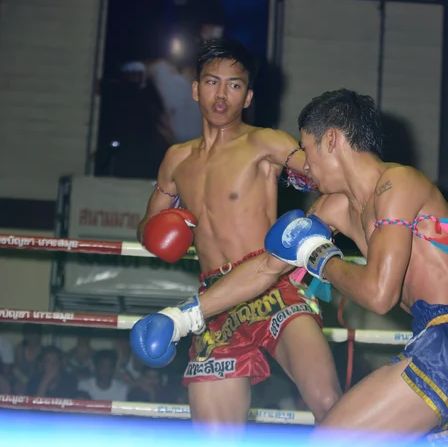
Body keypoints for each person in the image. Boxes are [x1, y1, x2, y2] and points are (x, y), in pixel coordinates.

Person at [139, 88, 448, 444]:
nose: (306, 165)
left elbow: (378, 294)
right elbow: (266, 268)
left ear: (332, 140)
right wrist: (183, 317)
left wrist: (320, 257)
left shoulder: (398, 184)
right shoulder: (335, 208)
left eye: (307, 148)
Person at [130, 37, 341, 426]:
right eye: (212, 82)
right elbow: (147, 225)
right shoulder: (176, 159)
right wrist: (162, 229)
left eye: (235, 85)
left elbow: (334, 175)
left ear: (247, 97)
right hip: (215, 302)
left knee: (329, 404)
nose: (222, 94)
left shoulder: (265, 142)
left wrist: (319, 217)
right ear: (195, 90)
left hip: (271, 284)